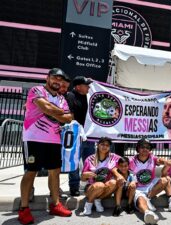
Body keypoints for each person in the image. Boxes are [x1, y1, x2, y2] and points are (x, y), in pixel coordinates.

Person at [18, 68, 73, 225]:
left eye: (60, 80)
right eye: (55, 78)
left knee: (55, 172)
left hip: (54, 140)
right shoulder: (37, 90)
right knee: (31, 172)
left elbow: (69, 119)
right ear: (47, 78)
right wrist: (59, 112)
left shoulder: (61, 98)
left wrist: (55, 111)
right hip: (33, 138)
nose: (58, 81)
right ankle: (24, 208)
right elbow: (47, 109)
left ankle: (55, 204)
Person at [129, 138, 171, 224]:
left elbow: (160, 160)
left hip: (151, 184)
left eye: (147, 147)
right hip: (138, 187)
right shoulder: (131, 160)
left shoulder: (152, 157)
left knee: (165, 180)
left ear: (150, 150)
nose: (145, 149)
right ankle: (147, 213)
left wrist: (166, 162)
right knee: (140, 199)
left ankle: (148, 198)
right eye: (142, 147)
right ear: (138, 148)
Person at [65, 76, 94, 196]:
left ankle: (90, 184)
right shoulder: (70, 96)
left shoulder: (88, 96)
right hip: (76, 134)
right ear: (77, 87)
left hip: (89, 135)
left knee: (90, 161)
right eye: (86, 84)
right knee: (74, 162)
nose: (89, 87)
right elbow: (69, 116)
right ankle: (74, 186)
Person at [81, 137, 122, 216]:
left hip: (105, 189)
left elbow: (126, 161)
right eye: (102, 144)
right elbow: (83, 180)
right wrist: (84, 175)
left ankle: (98, 200)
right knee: (100, 185)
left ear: (109, 147)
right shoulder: (89, 159)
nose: (104, 147)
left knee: (113, 182)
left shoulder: (113, 157)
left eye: (107, 145)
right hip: (91, 188)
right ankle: (88, 204)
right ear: (97, 145)